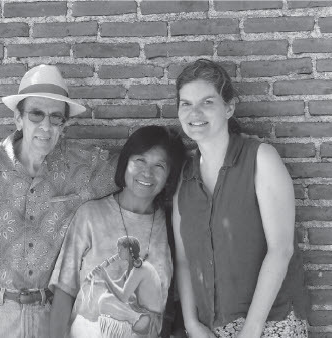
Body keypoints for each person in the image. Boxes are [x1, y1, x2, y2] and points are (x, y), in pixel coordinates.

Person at [0, 65, 117, 338]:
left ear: (63, 126)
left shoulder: (80, 168)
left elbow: (133, 170)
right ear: (19, 119)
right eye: (36, 114)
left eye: (56, 118)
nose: (46, 126)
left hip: (48, 314)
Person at [173, 59, 309, 338]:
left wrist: (252, 329)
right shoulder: (183, 179)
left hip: (271, 323)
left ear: (229, 107)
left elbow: (280, 250)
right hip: (210, 329)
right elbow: (184, 260)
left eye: (207, 102)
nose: (194, 112)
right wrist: (191, 323)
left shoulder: (260, 159)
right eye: (185, 103)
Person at [49, 126, 186, 338]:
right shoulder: (91, 215)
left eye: (159, 165)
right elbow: (64, 290)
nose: (147, 173)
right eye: (140, 160)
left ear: (169, 176)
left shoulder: (172, 224)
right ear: (124, 163)